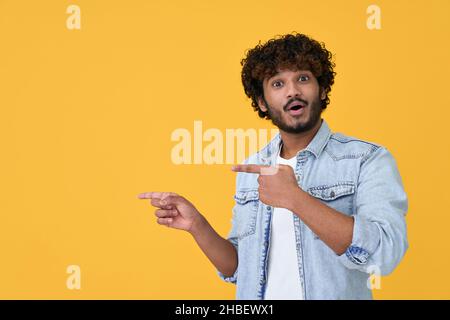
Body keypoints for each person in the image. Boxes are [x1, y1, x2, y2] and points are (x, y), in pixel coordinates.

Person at [137, 33, 408, 300]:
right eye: (278, 84)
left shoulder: (367, 159)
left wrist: (295, 198)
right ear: (262, 102)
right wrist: (198, 225)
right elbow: (241, 269)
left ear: (322, 89)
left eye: (303, 78)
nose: (293, 91)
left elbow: (384, 254)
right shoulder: (253, 168)